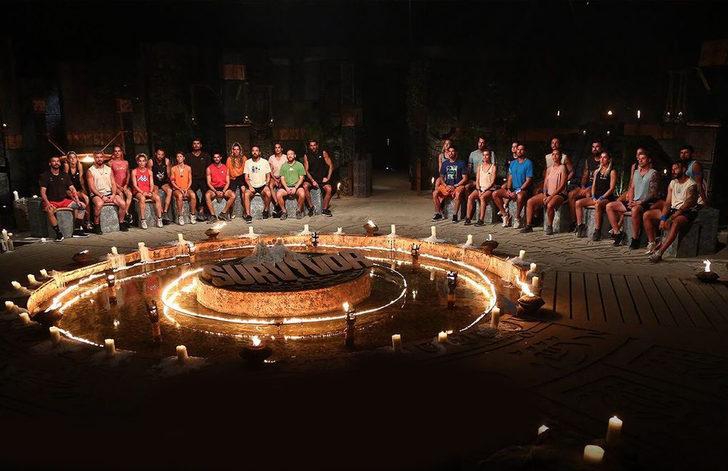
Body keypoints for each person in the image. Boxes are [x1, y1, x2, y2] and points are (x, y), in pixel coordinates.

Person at [643, 160, 700, 263]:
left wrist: (671, 218)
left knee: (675, 222)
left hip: (686, 212)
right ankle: (652, 243)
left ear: (683, 169)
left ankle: (659, 253)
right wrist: (663, 218)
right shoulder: (673, 182)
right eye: (672, 169)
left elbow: (687, 205)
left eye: (676, 169)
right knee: (647, 215)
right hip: (673, 210)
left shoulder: (691, 184)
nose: (673, 171)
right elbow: (668, 203)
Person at [606, 150, 660, 247]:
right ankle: (617, 233)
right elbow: (632, 188)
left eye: (643, 158)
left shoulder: (653, 173)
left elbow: (653, 193)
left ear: (649, 160)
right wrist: (630, 201)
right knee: (609, 206)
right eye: (639, 159)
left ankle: (635, 238)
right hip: (634, 201)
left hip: (646, 202)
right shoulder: (636, 172)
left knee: (635, 210)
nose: (640, 160)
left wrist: (640, 202)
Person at [40, 156, 89, 241]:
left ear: (60, 163)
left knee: (82, 206)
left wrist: (77, 200)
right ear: (50, 163)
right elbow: (43, 192)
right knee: (50, 210)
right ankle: (58, 233)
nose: (56, 163)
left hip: (63, 201)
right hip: (51, 201)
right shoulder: (45, 175)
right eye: (54, 161)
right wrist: (47, 203)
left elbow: (72, 188)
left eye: (58, 161)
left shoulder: (64, 175)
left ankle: (77, 230)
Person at [520, 150, 567, 234]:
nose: (555, 156)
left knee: (550, 205)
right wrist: (545, 194)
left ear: (560, 156)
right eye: (553, 154)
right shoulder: (549, 169)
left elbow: (562, 185)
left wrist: (551, 196)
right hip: (548, 193)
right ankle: (529, 225)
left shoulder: (562, 168)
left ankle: (549, 226)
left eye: (557, 154)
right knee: (530, 201)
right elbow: (545, 183)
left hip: (559, 194)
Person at [574, 151, 617, 240]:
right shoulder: (597, 171)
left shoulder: (612, 172)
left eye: (604, 157)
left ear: (609, 160)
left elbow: (612, 188)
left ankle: (597, 230)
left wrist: (602, 197)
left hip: (606, 197)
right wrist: (593, 196)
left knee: (598, 205)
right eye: (601, 157)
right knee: (578, 203)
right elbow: (593, 186)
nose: (602, 159)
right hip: (596, 196)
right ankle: (580, 226)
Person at [492, 144, 534, 228]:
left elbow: (528, 180)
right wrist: (508, 189)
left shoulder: (528, 163)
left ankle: (517, 218)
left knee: (519, 196)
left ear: (525, 151)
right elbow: (510, 177)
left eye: (521, 149)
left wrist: (517, 191)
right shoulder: (513, 163)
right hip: (513, 189)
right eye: (518, 149)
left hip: (523, 189)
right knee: (495, 194)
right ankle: (505, 215)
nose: (519, 151)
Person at [87, 151, 129, 234]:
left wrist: (113, 194)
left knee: (123, 203)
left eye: (101, 157)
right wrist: (102, 196)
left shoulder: (108, 169)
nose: (99, 159)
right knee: (99, 204)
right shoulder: (90, 170)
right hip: (97, 194)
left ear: (103, 158)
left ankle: (121, 223)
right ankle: (96, 225)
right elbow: (92, 187)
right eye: (97, 157)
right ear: (94, 159)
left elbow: (113, 183)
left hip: (109, 192)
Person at [567, 140, 603, 229]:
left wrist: (589, 189)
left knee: (588, 194)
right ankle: (574, 222)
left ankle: (588, 224)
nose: (595, 149)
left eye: (597, 147)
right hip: (587, 186)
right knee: (571, 194)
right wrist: (583, 186)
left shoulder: (603, 160)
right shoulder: (589, 160)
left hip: (596, 188)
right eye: (593, 147)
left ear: (601, 148)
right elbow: (585, 174)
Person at [431, 145, 467, 222]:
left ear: (456, 152)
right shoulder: (445, 164)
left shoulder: (461, 163)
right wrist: (445, 185)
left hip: (458, 185)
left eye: (452, 151)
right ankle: (438, 213)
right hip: (447, 186)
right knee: (435, 193)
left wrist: (456, 185)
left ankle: (455, 215)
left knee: (458, 194)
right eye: (449, 151)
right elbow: (441, 177)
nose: (451, 153)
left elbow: (465, 178)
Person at [131, 153, 163, 229]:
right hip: (139, 191)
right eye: (140, 161)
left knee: (157, 198)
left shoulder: (149, 171)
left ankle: (159, 218)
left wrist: (150, 192)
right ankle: (143, 219)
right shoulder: (134, 171)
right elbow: (135, 185)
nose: (142, 163)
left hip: (148, 191)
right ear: (137, 162)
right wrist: (142, 192)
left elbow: (152, 184)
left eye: (143, 161)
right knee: (142, 198)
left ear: (146, 162)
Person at [464, 149, 497, 226]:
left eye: (487, 155)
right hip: (480, 188)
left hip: (489, 188)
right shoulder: (479, 167)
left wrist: (484, 190)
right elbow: (477, 180)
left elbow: (492, 182)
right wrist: (479, 189)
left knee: (482, 197)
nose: (485, 157)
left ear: (490, 156)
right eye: (484, 155)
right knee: (470, 197)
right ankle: (468, 218)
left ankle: (481, 220)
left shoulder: (493, 167)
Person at [303, 139, 335, 217]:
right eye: (311, 145)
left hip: (321, 178)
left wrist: (328, 177)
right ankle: (311, 207)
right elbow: (306, 170)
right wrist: (312, 180)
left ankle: (324, 209)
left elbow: (331, 165)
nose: (313, 147)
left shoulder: (323, 153)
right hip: (311, 178)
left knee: (329, 189)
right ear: (309, 147)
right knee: (305, 186)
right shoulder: (306, 156)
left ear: (317, 145)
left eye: (314, 145)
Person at [242, 145, 272, 222]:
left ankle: (265, 210)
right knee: (246, 194)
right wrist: (250, 186)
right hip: (252, 185)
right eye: (253, 151)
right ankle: (248, 215)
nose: (255, 152)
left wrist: (267, 185)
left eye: (256, 150)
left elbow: (268, 176)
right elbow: (246, 177)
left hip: (262, 185)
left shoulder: (265, 162)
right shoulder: (248, 162)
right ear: (251, 152)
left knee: (268, 193)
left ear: (259, 152)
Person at [63, 151, 91, 230]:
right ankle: (78, 224)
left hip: (78, 189)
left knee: (86, 198)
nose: (73, 159)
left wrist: (84, 190)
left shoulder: (79, 165)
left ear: (77, 158)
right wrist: (71, 191)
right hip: (68, 189)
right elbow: (66, 180)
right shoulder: (66, 166)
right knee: (76, 200)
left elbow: (81, 180)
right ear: (68, 159)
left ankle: (87, 221)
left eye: (74, 158)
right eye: (70, 158)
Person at [276, 149, 307, 220]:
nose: (290, 155)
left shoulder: (299, 165)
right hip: (286, 187)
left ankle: (298, 210)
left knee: (302, 193)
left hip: (296, 187)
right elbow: (282, 178)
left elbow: (301, 178)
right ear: (286, 156)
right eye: (288, 154)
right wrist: (286, 188)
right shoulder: (284, 166)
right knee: (278, 194)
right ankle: (284, 212)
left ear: (295, 155)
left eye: (291, 154)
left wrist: (295, 188)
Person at [206, 152, 236, 222]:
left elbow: (228, 182)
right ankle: (213, 216)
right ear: (213, 158)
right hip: (214, 188)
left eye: (218, 157)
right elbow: (209, 183)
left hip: (223, 188)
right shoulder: (209, 168)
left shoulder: (226, 168)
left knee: (233, 195)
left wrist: (223, 191)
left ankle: (223, 213)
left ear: (220, 158)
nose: (216, 159)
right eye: (215, 157)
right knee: (207, 195)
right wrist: (215, 191)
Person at [170, 151, 197, 225]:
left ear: (183, 158)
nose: (179, 158)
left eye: (180, 156)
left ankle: (192, 215)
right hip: (177, 189)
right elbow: (172, 181)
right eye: (178, 157)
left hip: (187, 188)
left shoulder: (188, 168)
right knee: (180, 196)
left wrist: (187, 188)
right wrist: (179, 189)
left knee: (193, 195)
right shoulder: (173, 168)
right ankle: (180, 216)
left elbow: (190, 180)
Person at [187, 138, 211, 221]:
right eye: (194, 143)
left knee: (206, 191)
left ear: (201, 145)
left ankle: (202, 209)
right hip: (193, 179)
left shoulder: (206, 156)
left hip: (203, 179)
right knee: (192, 192)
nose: (196, 145)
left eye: (198, 143)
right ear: (192, 145)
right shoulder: (188, 156)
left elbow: (209, 169)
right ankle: (199, 208)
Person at [110, 145, 133, 223]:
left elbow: (128, 174)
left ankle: (126, 212)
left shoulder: (126, 162)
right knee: (121, 194)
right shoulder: (111, 163)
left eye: (119, 151)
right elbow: (111, 177)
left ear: (121, 152)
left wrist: (126, 184)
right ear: (113, 153)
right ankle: (125, 215)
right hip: (116, 186)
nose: (117, 153)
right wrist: (118, 186)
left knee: (129, 194)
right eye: (115, 151)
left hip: (124, 185)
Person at [149, 148, 172, 222]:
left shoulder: (166, 161)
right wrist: (151, 185)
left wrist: (171, 183)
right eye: (159, 154)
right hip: (154, 182)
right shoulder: (151, 161)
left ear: (164, 155)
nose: (160, 156)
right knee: (156, 193)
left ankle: (165, 211)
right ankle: (160, 210)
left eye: (162, 155)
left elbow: (169, 174)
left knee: (169, 191)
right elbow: (149, 174)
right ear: (156, 154)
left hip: (163, 181)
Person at [225, 142, 246, 219]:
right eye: (234, 149)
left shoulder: (244, 158)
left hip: (241, 177)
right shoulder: (229, 159)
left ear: (240, 150)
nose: (236, 151)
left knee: (243, 190)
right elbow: (228, 171)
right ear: (232, 150)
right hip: (232, 178)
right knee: (232, 193)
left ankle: (245, 211)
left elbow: (246, 170)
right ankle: (231, 212)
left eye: (237, 149)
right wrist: (229, 180)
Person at [268, 142, 287, 217]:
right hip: (274, 176)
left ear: (281, 149)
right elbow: (270, 170)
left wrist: (281, 179)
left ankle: (278, 205)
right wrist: (275, 179)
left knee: (282, 186)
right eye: (276, 148)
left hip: (283, 176)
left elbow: (287, 169)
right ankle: (277, 203)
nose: (277, 149)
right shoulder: (271, 158)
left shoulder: (285, 157)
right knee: (271, 185)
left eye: (279, 147)